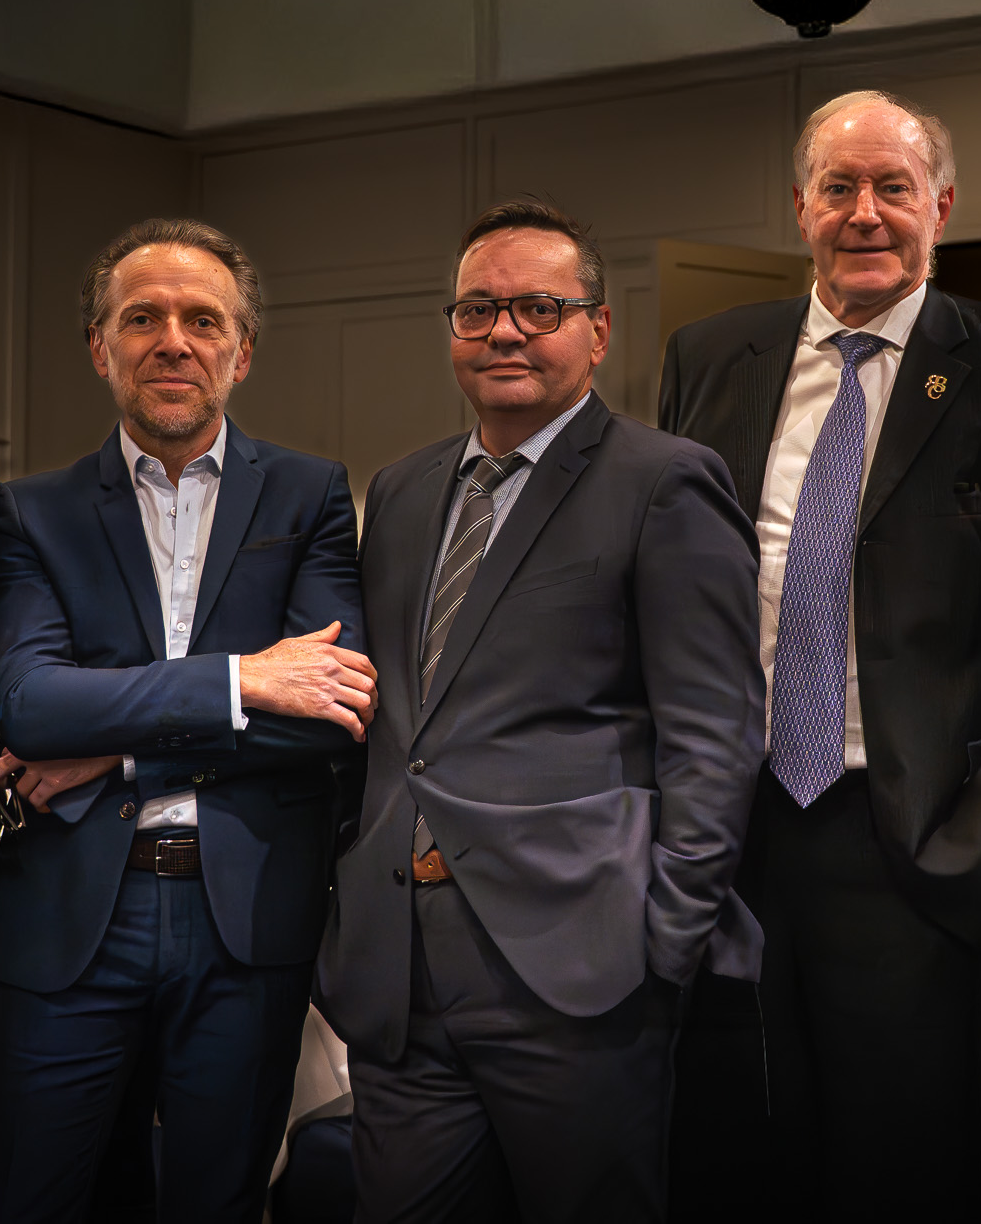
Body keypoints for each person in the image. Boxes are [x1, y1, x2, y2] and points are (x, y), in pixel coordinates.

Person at [658, 90, 981, 1218]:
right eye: (837, 188)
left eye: (891, 187)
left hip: (910, 836)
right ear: (798, 208)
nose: (864, 212)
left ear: (938, 206)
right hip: (728, 827)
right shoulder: (708, 356)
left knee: (905, 1163)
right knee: (740, 1146)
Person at [318, 200, 763, 1223]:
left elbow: (715, 735)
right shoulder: (401, 489)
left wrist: (663, 945)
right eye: (477, 309)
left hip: (582, 972)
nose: (505, 331)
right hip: (400, 972)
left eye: (536, 307)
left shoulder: (664, 483)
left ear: (596, 330)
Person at [0, 218, 374, 1222]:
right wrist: (242, 680)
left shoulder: (310, 495)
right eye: (141, 317)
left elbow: (329, 710)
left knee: (218, 1203)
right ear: (100, 346)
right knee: (28, 1199)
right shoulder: (32, 513)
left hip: (243, 920)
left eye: (203, 319)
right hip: (67, 922)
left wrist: (109, 749)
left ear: (241, 350)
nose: (172, 341)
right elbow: (28, 704)